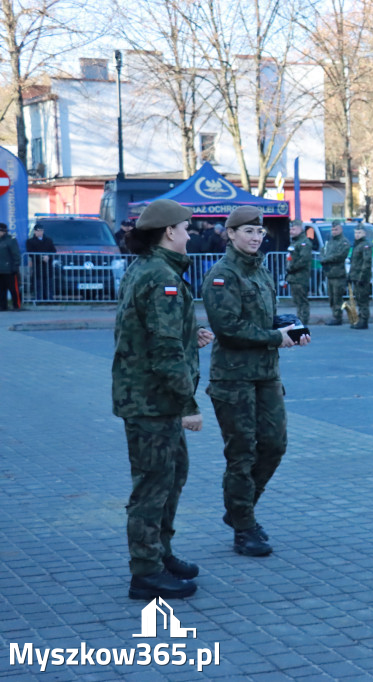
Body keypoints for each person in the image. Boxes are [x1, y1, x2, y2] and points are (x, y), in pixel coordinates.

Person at [112, 199, 211, 600]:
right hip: (152, 401)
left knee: (173, 475)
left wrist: (192, 336)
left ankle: (160, 551)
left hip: (152, 397)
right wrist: (189, 405)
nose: (190, 234)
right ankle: (146, 571)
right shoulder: (161, 277)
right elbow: (164, 349)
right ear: (169, 231)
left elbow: (157, 333)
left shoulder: (153, 269)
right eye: (186, 228)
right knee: (153, 484)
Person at [202, 206, 310, 557]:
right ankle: (244, 525)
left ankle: (238, 509)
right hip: (233, 378)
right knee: (242, 453)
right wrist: (277, 337)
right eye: (247, 231)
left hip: (266, 374)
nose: (255, 237)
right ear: (230, 234)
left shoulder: (260, 270)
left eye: (259, 232)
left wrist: (288, 325)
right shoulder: (222, 275)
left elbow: (262, 318)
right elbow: (229, 329)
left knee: (274, 445)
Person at [320, 220, 351, 326]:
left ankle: (338, 317)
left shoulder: (344, 242)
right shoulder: (330, 241)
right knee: (331, 297)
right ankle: (334, 314)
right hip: (330, 274)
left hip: (338, 274)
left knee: (338, 297)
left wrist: (326, 259)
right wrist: (323, 258)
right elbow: (323, 250)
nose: (334, 231)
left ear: (340, 229)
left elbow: (340, 255)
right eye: (332, 229)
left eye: (336, 229)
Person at [285, 220, 313, 326]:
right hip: (293, 277)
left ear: (300, 229)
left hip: (301, 277)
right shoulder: (295, 242)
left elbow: (303, 259)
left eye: (294, 229)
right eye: (290, 229)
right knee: (297, 301)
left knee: (302, 301)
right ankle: (299, 319)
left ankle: (303, 321)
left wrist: (291, 267)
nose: (291, 231)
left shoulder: (304, 242)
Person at [349, 224, 373, 329]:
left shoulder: (365, 245)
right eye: (355, 232)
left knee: (363, 300)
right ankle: (360, 319)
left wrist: (362, 277)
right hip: (356, 276)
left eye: (359, 233)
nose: (357, 235)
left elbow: (366, 263)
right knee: (358, 299)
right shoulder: (357, 245)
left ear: (364, 233)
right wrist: (350, 275)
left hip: (362, 278)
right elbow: (354, 263)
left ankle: (364, 320)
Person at [25, 224, 55, 302]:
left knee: (48, 283)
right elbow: (31, 253)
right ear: (34, 232)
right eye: (38, 231)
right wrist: (42, 257)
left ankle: (49, 299)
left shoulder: (48, 240)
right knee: (38, 284)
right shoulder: (30, 241)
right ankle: (39, 299)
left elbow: (53, 250)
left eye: (41, 231)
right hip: (38, 265)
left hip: (48, 266)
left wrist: (48, 256)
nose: (39, 232)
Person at [0, 223, 21, 310]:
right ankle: (2, 306)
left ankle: (16, 305)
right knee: (1, 290)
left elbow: (16, 254)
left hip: (10, 270)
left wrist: (16, 265)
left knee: (13, 289)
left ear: (4, 231)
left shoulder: (11, 240)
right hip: (0, 270)